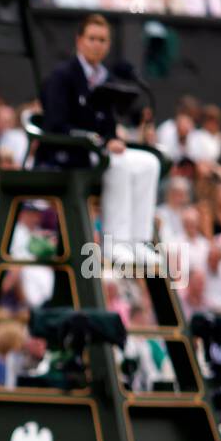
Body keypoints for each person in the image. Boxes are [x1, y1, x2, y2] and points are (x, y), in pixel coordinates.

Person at [37, 15, 161, 264]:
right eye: (92, 38)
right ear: (79, 41)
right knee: (117, 165)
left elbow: (108, 125)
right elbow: (56, 124)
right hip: (68, 154)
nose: (97, 44)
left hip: (98, 152)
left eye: (102, 40)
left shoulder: (107, 78)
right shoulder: (62, 76)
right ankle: (115, 243)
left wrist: (113, 139)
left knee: (149, 162)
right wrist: (99, 142)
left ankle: (139, 241)